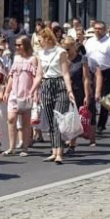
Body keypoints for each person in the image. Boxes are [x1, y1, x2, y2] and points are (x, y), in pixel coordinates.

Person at [31, 30, 75, 163]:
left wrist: (69, 91)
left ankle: (60, 152)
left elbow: (65, 73)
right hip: (46, 85)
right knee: (50, 120)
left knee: (58, 119)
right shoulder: (40, 54)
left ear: (48, 39)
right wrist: (33, 90)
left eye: (40, 40)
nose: (39, 43)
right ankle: (54, 150)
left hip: (59, 84)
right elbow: (39, 74)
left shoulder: (60, 52)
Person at [3, 36, 39, 157]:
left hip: (26, 93)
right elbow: (12, 76)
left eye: (19, 45)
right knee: (11, 119)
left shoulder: (32, 59)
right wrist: (7, 91)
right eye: (16, 45)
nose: (17, 47)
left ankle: (25, 147)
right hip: (14, 93)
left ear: (26, 45)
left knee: (25, 122)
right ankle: (11, 147)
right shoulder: (16, 58)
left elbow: (35, 77)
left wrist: (35, 93)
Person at [86, 21, 110, 133]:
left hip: (105, 71)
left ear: (105, 30)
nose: (97, 31)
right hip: (91, 72)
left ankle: (101, 124)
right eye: (96, 28)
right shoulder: (89, 41)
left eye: (100, 29)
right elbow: (84, 57)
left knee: (104, 99)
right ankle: (91, 123)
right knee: (90, 97)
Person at [63, 35, 95, 150]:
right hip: (64, 90)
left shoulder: (82, 59)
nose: (66, 51)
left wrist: (87, 95)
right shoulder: (62, 59)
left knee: (74, 117)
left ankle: (72, 143)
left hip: (78, 90)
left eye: (68, 48)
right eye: (64, 48)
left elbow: (85, 78)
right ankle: (65, 139)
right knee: (64, 116)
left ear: (74, 47)